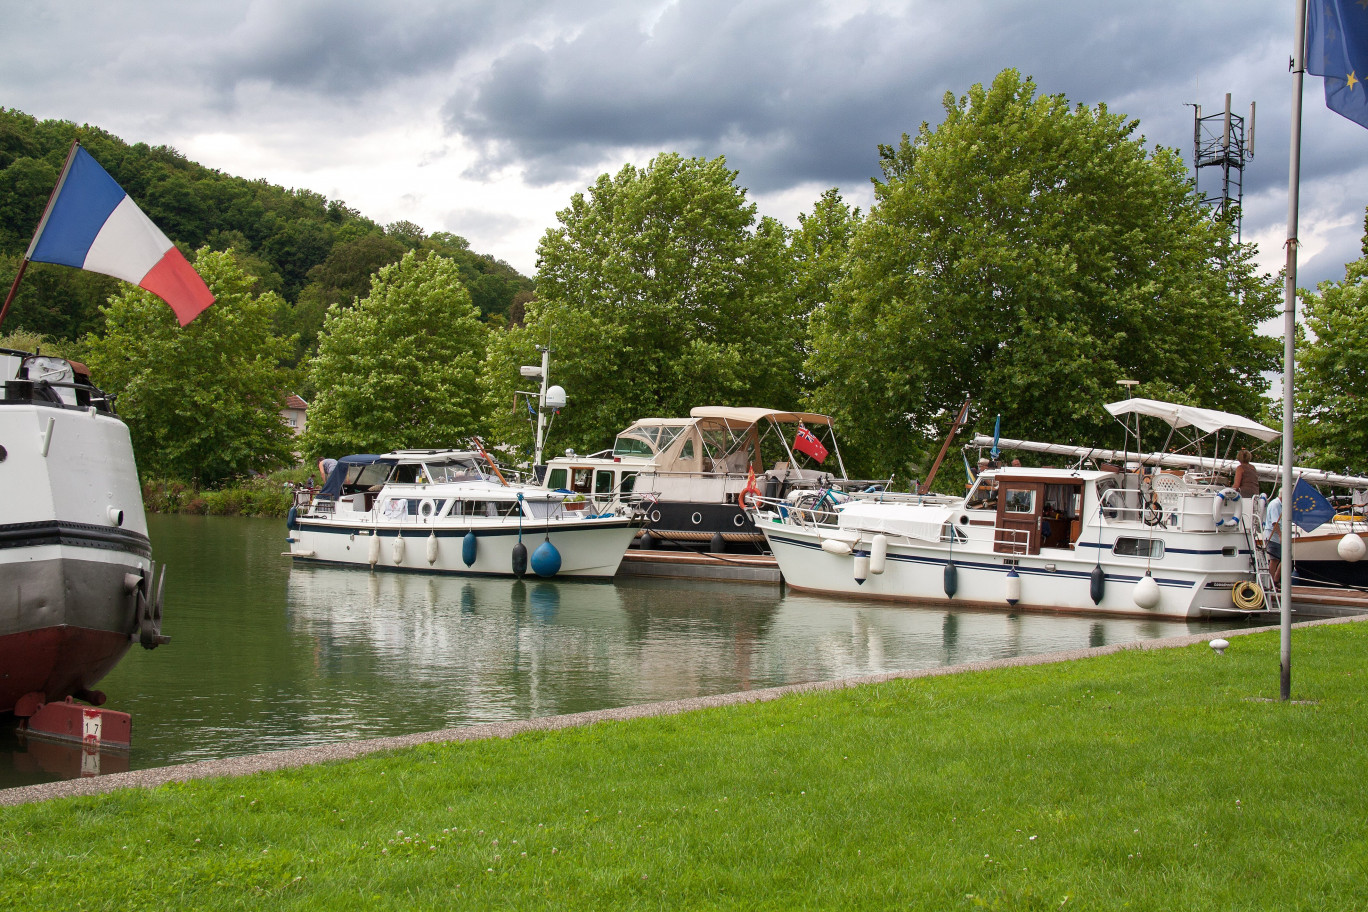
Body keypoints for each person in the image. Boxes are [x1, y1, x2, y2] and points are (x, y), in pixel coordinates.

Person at [1264, 494, 1283, 580]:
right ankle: (1270, 583)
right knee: (1274, 560)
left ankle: (1275, 580)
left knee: (1285, 558)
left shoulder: (1281, 505)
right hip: (1273, 537)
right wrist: (1280, 535)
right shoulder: (1276, 504)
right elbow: (1275, 522)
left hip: (1276, 537)